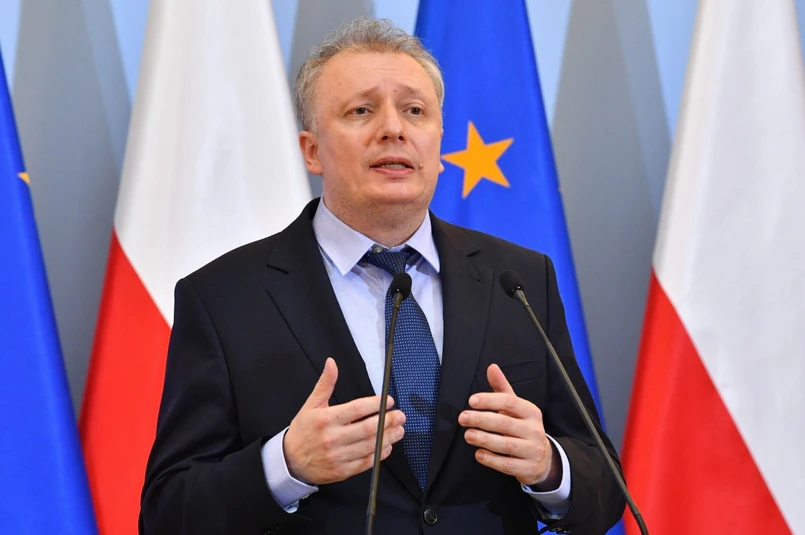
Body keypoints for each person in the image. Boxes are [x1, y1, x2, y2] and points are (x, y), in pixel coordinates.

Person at [140, 18, 625, 535]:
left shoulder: (520, 280)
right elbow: (168, 513)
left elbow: (606, 491)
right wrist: (285, 466)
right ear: (312, 151)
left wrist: (549, 466)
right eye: (361, 110)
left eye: (415, 111)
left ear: (439, 143)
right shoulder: (225, 297)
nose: (394, 129)